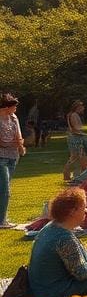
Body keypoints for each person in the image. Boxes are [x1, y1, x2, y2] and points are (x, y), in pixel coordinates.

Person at [0, 93, 25, 228]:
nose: (15, 109)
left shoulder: (14, 118)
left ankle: (3, 218)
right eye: (14, 107)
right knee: (4, 189)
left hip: (12, 156)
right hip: (1, 157)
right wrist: (12, 143)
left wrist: (20, 145)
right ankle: (1, 221)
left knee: (5, 188)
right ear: (6, 107)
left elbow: (18, 135)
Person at [63, 99, 87, 184]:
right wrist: (85, 131)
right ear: (78, 107)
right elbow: (76, 128)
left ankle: (78, 175)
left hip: (77, 137)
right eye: (82, 107)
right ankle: (67, 175)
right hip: (75, 138)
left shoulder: (74, 115)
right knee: (75, 157)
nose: (83, 109)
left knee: (78, 157)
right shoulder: (73, 115)